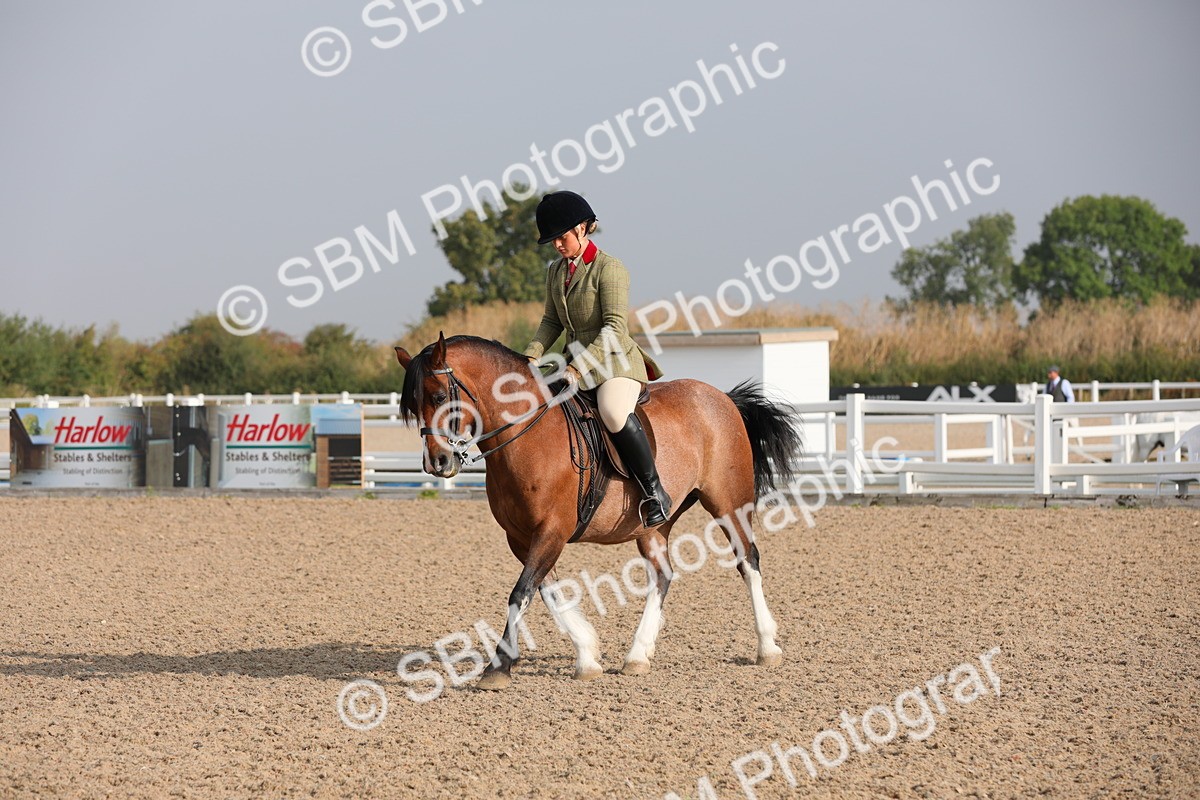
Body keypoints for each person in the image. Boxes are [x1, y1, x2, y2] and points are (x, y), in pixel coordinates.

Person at [522, 190, 672, 527]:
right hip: (573, 363)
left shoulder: (609, 268)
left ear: (583, 228)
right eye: (553, 241)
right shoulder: (555, 272)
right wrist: (530, 356)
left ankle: (654, 492)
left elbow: (615, 328)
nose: (558, 245)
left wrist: (577, 368)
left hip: (614, 362)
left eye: (562, 237)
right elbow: (551, 322)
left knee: (613, 411)